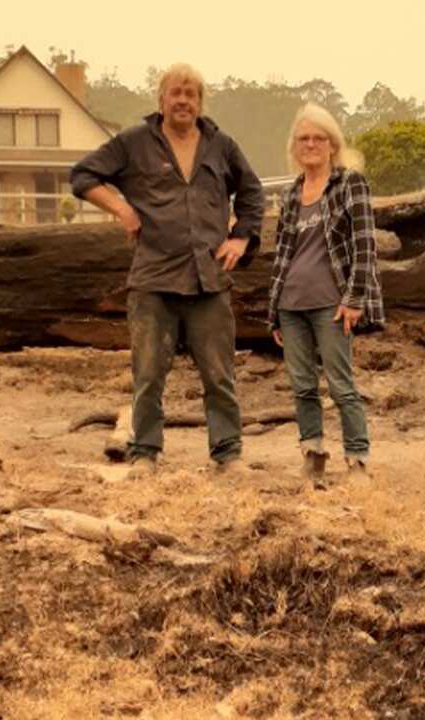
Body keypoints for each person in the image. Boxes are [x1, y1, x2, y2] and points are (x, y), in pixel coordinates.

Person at [70, 63, 264, 478]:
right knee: (148, 374)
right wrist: (121, 207)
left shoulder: (221, 145)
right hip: (154, 280)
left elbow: (252, 192)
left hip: (208, 281)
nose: (183, 101)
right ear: (161, 99)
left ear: (199, 101)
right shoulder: (135, 142)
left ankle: (227, 456)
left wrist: (241, 237)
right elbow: (83, 175)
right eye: (175, 92)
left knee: (219, 373)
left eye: (191, 94)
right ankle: (145, 454)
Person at [267, 103, 384, 486]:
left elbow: (365, 245)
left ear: (332, 144)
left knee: (341, 385)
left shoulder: (350, 184)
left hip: (332, 305)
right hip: (291, 305)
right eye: (304, 138)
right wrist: (273, 312)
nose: (311, 144)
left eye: (319, 138)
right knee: (302, 387)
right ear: (295, 148)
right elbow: (282, 256)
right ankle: (313, 456)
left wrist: (354, 299)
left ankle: (358, 461)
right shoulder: (289, 195)